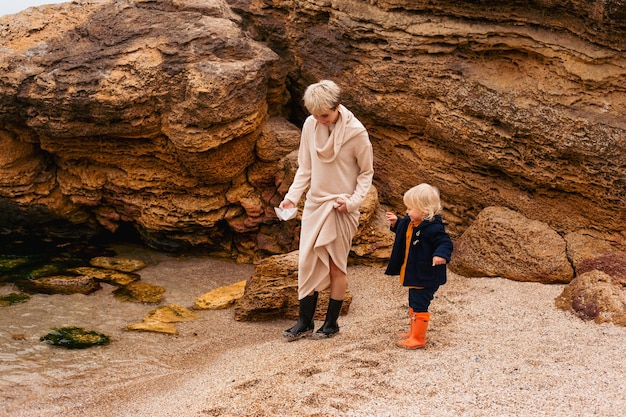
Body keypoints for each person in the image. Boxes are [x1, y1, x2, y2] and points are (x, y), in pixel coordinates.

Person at [280, 79, 374, 340]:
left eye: (325, 115)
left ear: (337, 106)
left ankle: (331, 323)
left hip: (340, 207)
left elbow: (366, 173)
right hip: (314, 205)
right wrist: (291, 198)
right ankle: (304, 322)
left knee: (336, 267)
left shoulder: (357, 133)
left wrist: (353, 202)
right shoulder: (310, 125)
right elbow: (305, 168)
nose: (320, 119)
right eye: (315, 115)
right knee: (307, 264)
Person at [384, 183, 453, 349]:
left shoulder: (433, 228)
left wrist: (440, 255)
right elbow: (404, 230)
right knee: (413, 302)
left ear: (424, 210)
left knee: (420, 304)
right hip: (414, 274)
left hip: (425, 275)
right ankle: (413, 332)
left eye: (410, 208)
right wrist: (396, 223)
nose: (407, 212)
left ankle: (418, 338)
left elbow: (445, 242)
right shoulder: (411, 221)